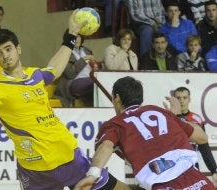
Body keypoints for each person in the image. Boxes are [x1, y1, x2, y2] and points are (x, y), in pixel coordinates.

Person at [0, 10, 128, 190]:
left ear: (18, 49)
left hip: (69, 157)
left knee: (119, 188)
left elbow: (55, 68)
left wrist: (71, 36)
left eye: (8, 49)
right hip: (35, 172)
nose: (5, 55)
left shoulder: (35, 75)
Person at [74, 76, 215, 190]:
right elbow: (202, 137)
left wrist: (93, 174)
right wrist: (178, 117)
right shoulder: (160, 112)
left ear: (116, 98)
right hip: (196, 180)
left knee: (107, 182)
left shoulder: (115, 123)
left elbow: (106, 146)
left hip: (164, 184)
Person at [174, 86, 217, 187]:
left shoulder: (197, 119)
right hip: (174, 169)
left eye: (185, 98)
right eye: (178, 98)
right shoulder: (168, 118)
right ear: (174, 99)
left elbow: (204, 146)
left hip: (193, 167)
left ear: (189, 99)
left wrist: (213, 170)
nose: (181, 101)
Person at [55, 29, 98, 107]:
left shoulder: (87, 51)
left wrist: (95, 68)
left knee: (99, 81)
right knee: (96, 81)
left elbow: (92, 67)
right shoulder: (65, 52)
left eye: (78, 37)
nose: (76, 39)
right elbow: (70, 74)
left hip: (89, 79)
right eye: (73, 37)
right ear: (68, 39)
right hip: (72, 83)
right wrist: (83, 59)